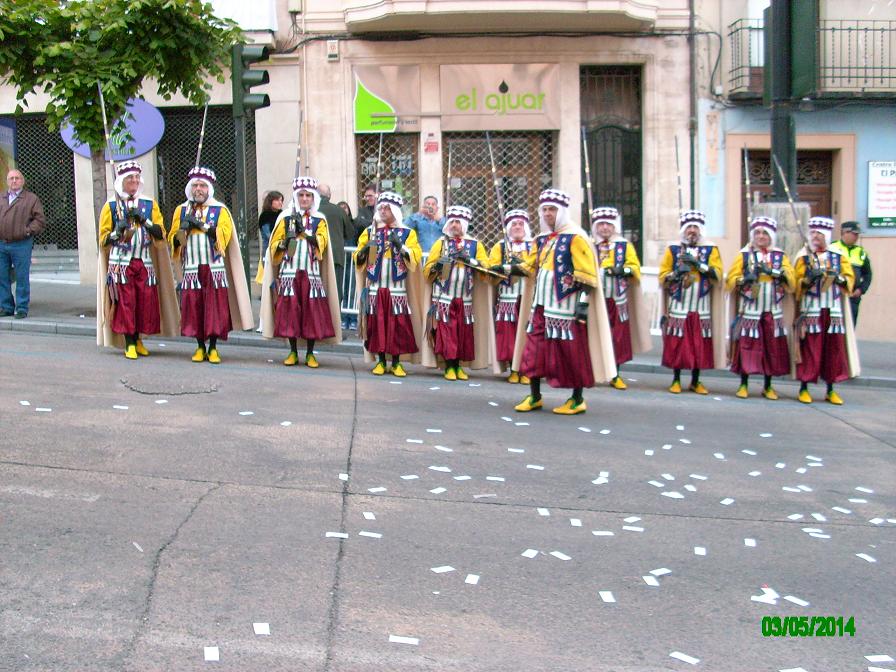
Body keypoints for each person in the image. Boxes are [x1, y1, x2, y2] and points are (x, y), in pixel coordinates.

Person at [512, 189, 616, 415]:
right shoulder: (541, 239)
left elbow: (587, 275)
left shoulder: (576, 237)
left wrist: (583, 304)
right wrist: (509, 267)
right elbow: (529, 266)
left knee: (571, 353)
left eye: (552, 209)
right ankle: (534, 396)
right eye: (544, 209)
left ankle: (577, 399)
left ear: (561, 211)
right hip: (541, 305)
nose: (548, 214)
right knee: (534, 350)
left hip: (566, 307)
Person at [168, 166, 254, 363]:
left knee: (215, 309)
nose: (198, 189)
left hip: (214, 268)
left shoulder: (220, 210)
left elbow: (224, 235)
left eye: (202, 186)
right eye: (195, 185)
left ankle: (213, 347)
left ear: (209, 188)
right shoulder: (181, 210)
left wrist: (201, 226)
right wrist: (182, 230)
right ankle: (200, 347)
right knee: (194, 307)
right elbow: (174, 240)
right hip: (192, 268)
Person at [97, 161, 179, 358]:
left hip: (144, 262)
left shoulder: (149, 205)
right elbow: (103, 239)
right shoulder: (111, 206)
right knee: (126, 303)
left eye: (136, 177)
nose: (134, 181)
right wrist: (117, 232)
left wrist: (145, 221)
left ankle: (139, 339)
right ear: (122, 181)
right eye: (129, 178)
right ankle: (129, 343)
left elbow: (160, 234)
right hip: (121, 264)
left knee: (145, 303)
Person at [260, 177, 341, 367]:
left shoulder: (319, 219)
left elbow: (322, 243)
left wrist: (303, 231)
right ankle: (293, 351)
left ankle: (311, 353)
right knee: (290, 314)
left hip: (311, 274)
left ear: (313, 198)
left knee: (312, 314)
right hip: (289, 272)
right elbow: (274, 246)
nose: (304, 199)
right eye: (301, 195)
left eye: (308, 195)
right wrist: (286, 241)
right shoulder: (285, 218)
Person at [353, 191, 425, 376]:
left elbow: (415, 256)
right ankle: (381, 361)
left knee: (397, 326)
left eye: (387, 208)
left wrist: (400, 246)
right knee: (377, 324)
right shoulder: (370, 232)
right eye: (381, 208)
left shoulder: (407, 233)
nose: (383, 211)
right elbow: (357, 257)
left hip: (397, 289)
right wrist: (365, 250)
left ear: (395, 210)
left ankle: (397, 363)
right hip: (375, 287)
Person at [725, 216, 795, 400]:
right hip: (750, 310)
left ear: (771, 236)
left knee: (771, 349)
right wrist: (744, 279)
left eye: (765, 233)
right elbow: (730, 280)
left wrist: (775, 273)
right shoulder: (744, 255)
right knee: (747, 347)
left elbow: (791, 280)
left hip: (773, 310)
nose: (761, 236)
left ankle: (768, 386)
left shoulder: (780, 256)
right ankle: (743, 384)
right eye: (757, 233)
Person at [793, 216, 860, 404]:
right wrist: (807, 279)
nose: (815, 236)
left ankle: (830, 389)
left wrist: (839, 279)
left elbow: (849, 279)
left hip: (833, 309)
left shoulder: (838, 256)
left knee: (833, 350)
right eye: (813, 233)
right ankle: (804, 387)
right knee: (810, 349)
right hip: (812, 309)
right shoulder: (803, 256)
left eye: (819, 233)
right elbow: (795, 283)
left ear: (826, 236)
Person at [658, 210, 726, 394]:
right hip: (679, 303)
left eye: (695, 227)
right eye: (689, 227)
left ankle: (696, 381)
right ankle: (676, 379)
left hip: (701, 304)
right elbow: (663, 276)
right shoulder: (673, 249)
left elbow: (717, 274)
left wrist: (698, 265)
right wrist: (676, 273)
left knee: (699, 344)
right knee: (678, 343)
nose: (692, 231)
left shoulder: (711, 249)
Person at [422, 205, 493, 380]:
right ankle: (449, 366)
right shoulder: (441, 243)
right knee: (447, 332)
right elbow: (427, 270)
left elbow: (486, 269)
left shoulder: (475, 245)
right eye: (452, 221)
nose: (454, 225)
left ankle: (458, 365)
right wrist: (438, 265)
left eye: (458, 222)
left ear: (465, 224)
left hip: (465, 298)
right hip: (443, 297)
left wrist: (470, 260)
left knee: (462, 333)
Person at [590, 206, 651, 390]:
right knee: (594, 336)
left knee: (616, 338)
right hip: (596, 300)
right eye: (601, 224)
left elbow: (635, 268)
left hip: (617, 301)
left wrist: (621, 270)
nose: (605, 228)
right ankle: (594, 372)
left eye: (608, 224)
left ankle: (615, 374)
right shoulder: (589, 245)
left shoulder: (624, 246)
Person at [487, 209, 534, 383]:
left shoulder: (534, 246)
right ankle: (513, 368)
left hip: (528, 297)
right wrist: (501, 268)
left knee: (528, 334)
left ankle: (526, 369)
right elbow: (490, 269)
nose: (517, 227)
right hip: (507, 297)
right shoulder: (500, 247)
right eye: (514, 224)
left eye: (520, 224)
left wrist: (519, 266)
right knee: (508, 335)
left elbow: (536, 266)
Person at [0, 168, 45, 319]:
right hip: (2, 244)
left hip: (21, 244)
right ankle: (6, 306)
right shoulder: (2, 197)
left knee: (21, 277)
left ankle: (21, 308)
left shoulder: (31, 199)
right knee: (2, 276)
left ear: (22, 181)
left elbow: (40, 220)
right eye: (11, 178)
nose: (14, 181)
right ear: (7, 181)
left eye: (17, 178)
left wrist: (27, 231)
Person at [318, 184, 355, 322]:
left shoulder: (311, 210)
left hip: (317, 256)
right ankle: (334, 322)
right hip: (336, 256)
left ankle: (318, 322)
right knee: (335, 290)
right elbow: (350, 232)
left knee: (317, 290)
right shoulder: (339, 211)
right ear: (329, 195)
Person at [830, 220, 872, 326]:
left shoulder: (860, 252)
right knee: (835, 328)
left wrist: (861, 289)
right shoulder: (832, 248)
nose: (857, 237)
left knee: (851, 326)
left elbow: (868, 274)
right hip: (836, 297)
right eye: (854, 234)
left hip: (853, 297)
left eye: (858, 234)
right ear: (845, 232)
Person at [257, 190, 284, 257]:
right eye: (277, 200)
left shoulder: (282, 214)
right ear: (270, 201)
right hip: (269, 250)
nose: (280, 203)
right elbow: (269, 236)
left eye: (281, 200)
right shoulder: (265, 216)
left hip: (281, 249)